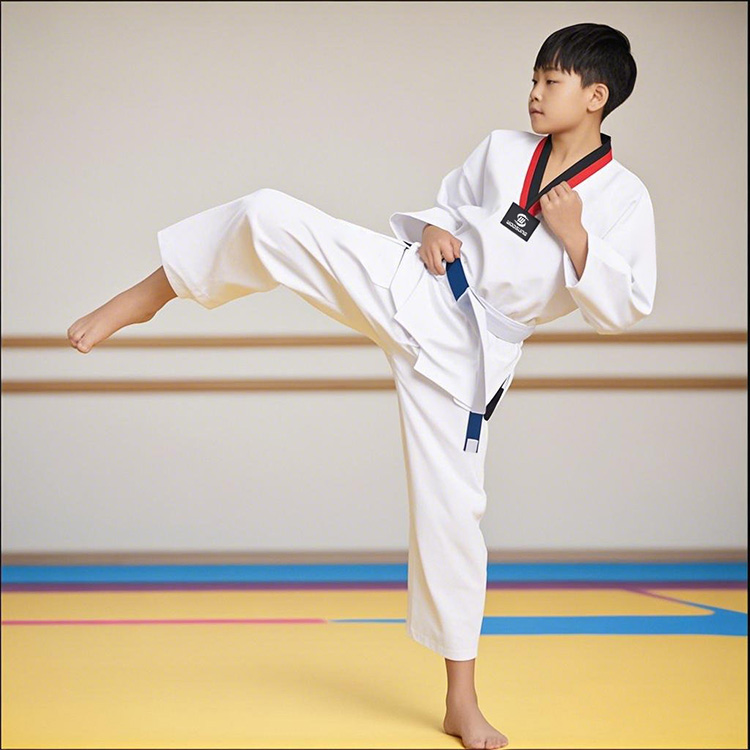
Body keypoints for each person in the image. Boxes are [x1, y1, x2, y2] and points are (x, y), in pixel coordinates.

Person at [66, 22, 656, 750]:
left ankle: (461, 702)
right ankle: (151, 294)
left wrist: (577, 237)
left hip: (469, 355)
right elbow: (450, 205)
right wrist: (433, 230)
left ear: (596, 96)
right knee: (269, 212)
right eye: (533, 78)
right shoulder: (505, 149)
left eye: (551, 81)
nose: (534, 93)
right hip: (420, 285)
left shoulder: (623, 198)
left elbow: (625, 308)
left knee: (453, 521)